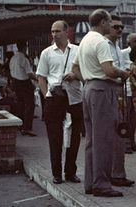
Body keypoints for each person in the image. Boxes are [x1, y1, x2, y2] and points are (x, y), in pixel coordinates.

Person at [71, 9, 129, 198]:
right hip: (102, 90)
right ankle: (102, 184)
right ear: (103, 22)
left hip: (88, 89)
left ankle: (91, 182)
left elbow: (75, 68)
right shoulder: (101, 42)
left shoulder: (84, 41)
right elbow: (109, 70)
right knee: (104, 139)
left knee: (91, 140)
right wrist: (122, 73)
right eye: (110, 22)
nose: (112, 26)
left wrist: (87, 80)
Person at [36, 20, 84, 185]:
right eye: (52, 31)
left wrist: (75, 75)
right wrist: (46, 95)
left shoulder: (78, 51)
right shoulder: (47, 53)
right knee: (55, 138)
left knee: (74, 137)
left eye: (57, 31)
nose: (54, 34)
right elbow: (41, 77)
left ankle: (71, 172)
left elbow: (86, 73)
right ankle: (57, 173)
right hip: (54, 98)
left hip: (74, 99)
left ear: (67, 32)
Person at [105, 15, 135, 187]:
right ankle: (114, 173)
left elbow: (121, 66)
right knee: (114, 133)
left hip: (120, 90)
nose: (119, 30)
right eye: (116, 27)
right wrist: (120, 74)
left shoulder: (117, 46)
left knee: (121, 132)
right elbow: (108, 69)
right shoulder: (104, 45)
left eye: (121, 27)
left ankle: (118, 172)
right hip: (110, 89)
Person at [9, 41, 37, 136]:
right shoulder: (23, 59)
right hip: (24, 82)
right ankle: (27, 127)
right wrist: (38, 79)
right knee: (30, 105)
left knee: (20, 104)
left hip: (15, 82)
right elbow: (29, 73)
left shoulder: (13, 58)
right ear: (25, 47)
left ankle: (19, 125)